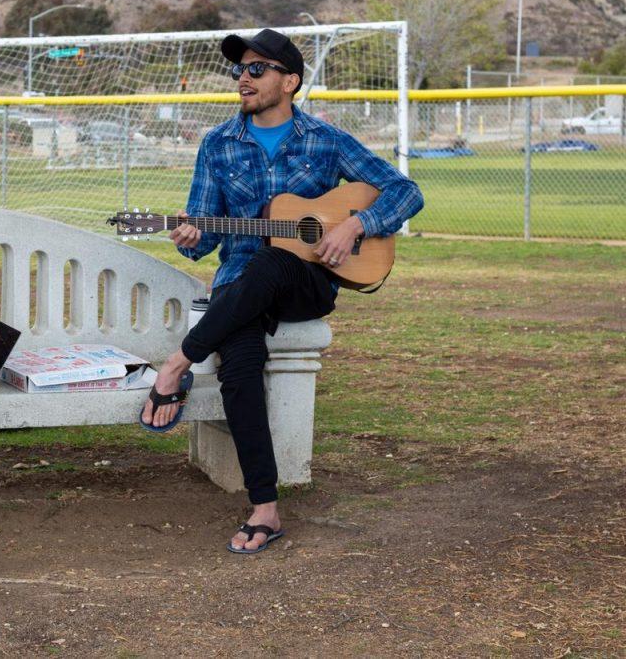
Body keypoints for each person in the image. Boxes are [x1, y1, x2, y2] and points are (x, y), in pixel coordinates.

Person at [139, 29, 423, 554]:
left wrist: (355, 225)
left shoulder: (326, 140)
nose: (242, 79)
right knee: (239, 368)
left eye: (256, 69)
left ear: (289, 81)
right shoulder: (218, 144)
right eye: (238, 70)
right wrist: (192, 236)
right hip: (240, 284)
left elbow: (406, 191)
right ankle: (265, 509)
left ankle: (176, 364)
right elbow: (206, 235)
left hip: (305, 283)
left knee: (272, 259)